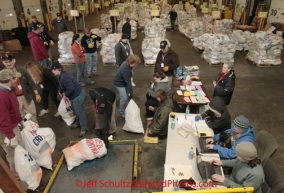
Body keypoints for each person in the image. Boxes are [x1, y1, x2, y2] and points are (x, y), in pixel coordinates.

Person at [51, 62, 89, 137]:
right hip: (73, 96)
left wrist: (65, 95)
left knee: (80, 112)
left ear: (55, 69)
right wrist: (61, 91)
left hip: (77, 95)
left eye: (52, 70)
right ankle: (78, 123)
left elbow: (71, 88)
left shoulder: (64, 76)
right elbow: (61, 85)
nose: (52, 72)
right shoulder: (60, 75)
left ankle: (84, 128)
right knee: (75, 110)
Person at [2, 54, 40, 124]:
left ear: (14, 61)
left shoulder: (22, 70)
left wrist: (36, 94)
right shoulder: (2, 75)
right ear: (3, 63)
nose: (8, 63)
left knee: (33, 114)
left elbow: (31, 82)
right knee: (17, 118)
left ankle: (36, 130)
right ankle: (25, 132)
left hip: (26, 96)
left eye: (10, 61)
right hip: (14, 99)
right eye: (6, 62)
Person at [0, 69, 23, 178]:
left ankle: (23, 170)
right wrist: (10, 135)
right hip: (6, 130)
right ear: (10, 79)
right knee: (13, 153)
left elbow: (11, 110)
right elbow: (3, 118)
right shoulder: (2, 96)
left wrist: (18, 120)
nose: (17, 79)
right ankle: (17, 177)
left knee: (19, 150)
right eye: (15, 78)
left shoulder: (8, 90)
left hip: (12, 125)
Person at [113, 54, 141, 118]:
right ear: (131, 62)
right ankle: (121, 112)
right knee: (124, 98)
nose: (135, 66)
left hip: (124, 82)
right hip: (119, 84)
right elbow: (128, 82)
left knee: (128, 97)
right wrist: (131, 92)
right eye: (134, 64)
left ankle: (129, 109)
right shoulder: (126, 70)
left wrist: (129, 93)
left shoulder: (125, 63)